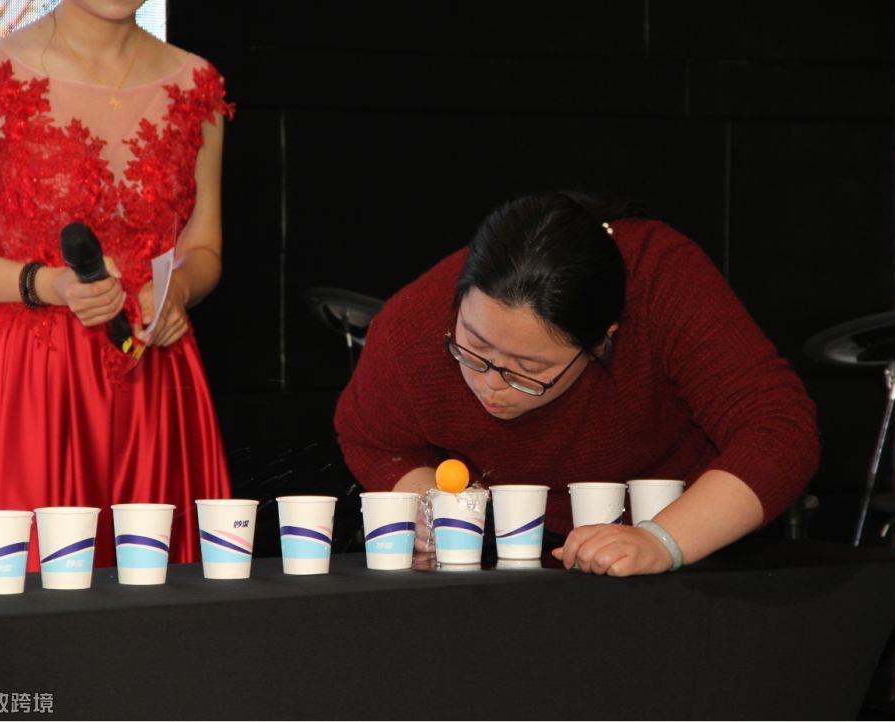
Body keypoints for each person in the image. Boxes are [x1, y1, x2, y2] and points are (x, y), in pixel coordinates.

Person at [334, 192, 820, 576]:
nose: (491, 384)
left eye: (527, 368)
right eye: (474, 347)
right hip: (512, 556)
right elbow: (372, 438)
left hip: (696, 548)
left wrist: (662, 540)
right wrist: (430, 507)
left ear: (602, 342)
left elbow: (778, 430)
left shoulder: (659, 276)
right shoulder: (411, 325)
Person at [0, 0, 233, 578]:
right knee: (28, 603)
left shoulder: (196, 83)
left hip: (155, 379)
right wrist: (46, 283)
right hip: (30, 387)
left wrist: (179, 289)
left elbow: (204, 244)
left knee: (160, 610)